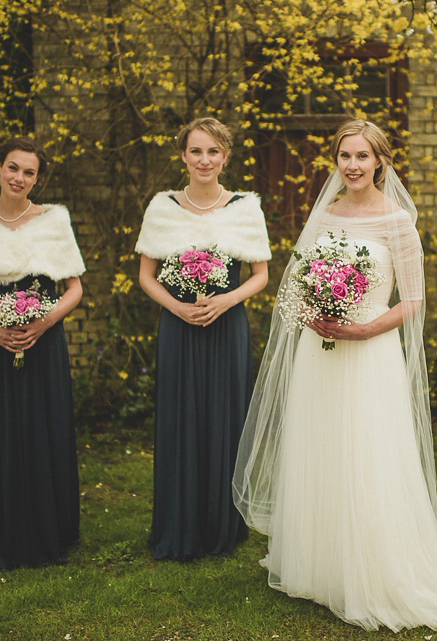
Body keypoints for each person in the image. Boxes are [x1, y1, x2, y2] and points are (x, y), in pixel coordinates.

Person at [233, 120, 437, 631]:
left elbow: (413, 300)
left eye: (363, 156)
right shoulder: (324, 215)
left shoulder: (398, 223)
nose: (353, 165)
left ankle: (374, 568)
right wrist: (312, 313)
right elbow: (297, 285)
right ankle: (320, 566)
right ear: (336, 162)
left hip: (370, 353)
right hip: (320, 353)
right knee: (321, 449)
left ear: (381, 162)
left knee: (367, 452)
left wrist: (365, 331)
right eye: (345, 156)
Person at [134, 117, 271, 561]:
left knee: (223, 415)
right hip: (179, 326)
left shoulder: (245, 207)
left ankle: (221, 526)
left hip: (226, 325)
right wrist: (177, 307)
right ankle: (180, 522)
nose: (204, 160)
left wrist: (225, 301)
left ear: (225, 157)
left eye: (213, 152)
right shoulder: (162, 207)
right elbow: (146, 277)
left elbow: (261, 275)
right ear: (183, 156)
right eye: (196, 151)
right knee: (180, 416)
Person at [0, 137, 85, 570]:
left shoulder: (54, 220)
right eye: (13, 168)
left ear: (37, 178)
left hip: (44, 343)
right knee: (1, 430)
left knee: (46, 428)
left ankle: (52, 529)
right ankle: (0, 531)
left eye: (29, 172)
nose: (19, 178)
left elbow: (75, 288)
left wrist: (44, 322)